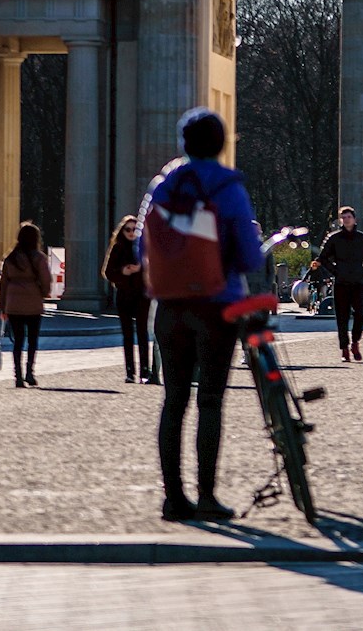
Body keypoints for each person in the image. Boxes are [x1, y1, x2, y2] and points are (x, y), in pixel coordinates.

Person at [138, 106, 265, 523]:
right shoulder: (228, 187)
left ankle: (173, 499)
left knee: (173, 400)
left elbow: (144, 249)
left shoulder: (162, 188)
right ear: (222, 144)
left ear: (183, 144)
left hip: (170, 307)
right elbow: (247, 256)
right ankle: (207, 495)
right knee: (210, 399)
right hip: (216, 304)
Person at [311, 206, 363, 363]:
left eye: (349, 217)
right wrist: (335, 271)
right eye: (343, 217)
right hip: (341, 282)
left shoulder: (362, 238)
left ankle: (355, 342)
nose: (346, 220)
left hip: (357, 282)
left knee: (360, 314)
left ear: (354, 219)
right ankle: (344, 349)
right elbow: (323, 257)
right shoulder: (334, 238)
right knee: (342, 317)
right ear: (340, 220)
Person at [0, 221, 53, 388]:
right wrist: (43, 293)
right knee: (33, 340)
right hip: (33, 302)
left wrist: (2, 307)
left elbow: (3, 284)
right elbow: (45, 280)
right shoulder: (39, 258)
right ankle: (30, 372)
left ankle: (18, 376)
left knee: (18, 340)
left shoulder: (10, 258)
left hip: (13, 303)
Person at [101, 215, 153, 384]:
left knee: (143, 333)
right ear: (122, 231)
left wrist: (142, 269)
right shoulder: (118, 248)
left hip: (142, 295)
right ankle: (130, 371)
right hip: (124, 295)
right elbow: (108, 272)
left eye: (134, 229)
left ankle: (145, 370)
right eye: (128, 229)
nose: (131, 233)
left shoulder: (145, 248)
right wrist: (123, 272)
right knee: (127, 335)